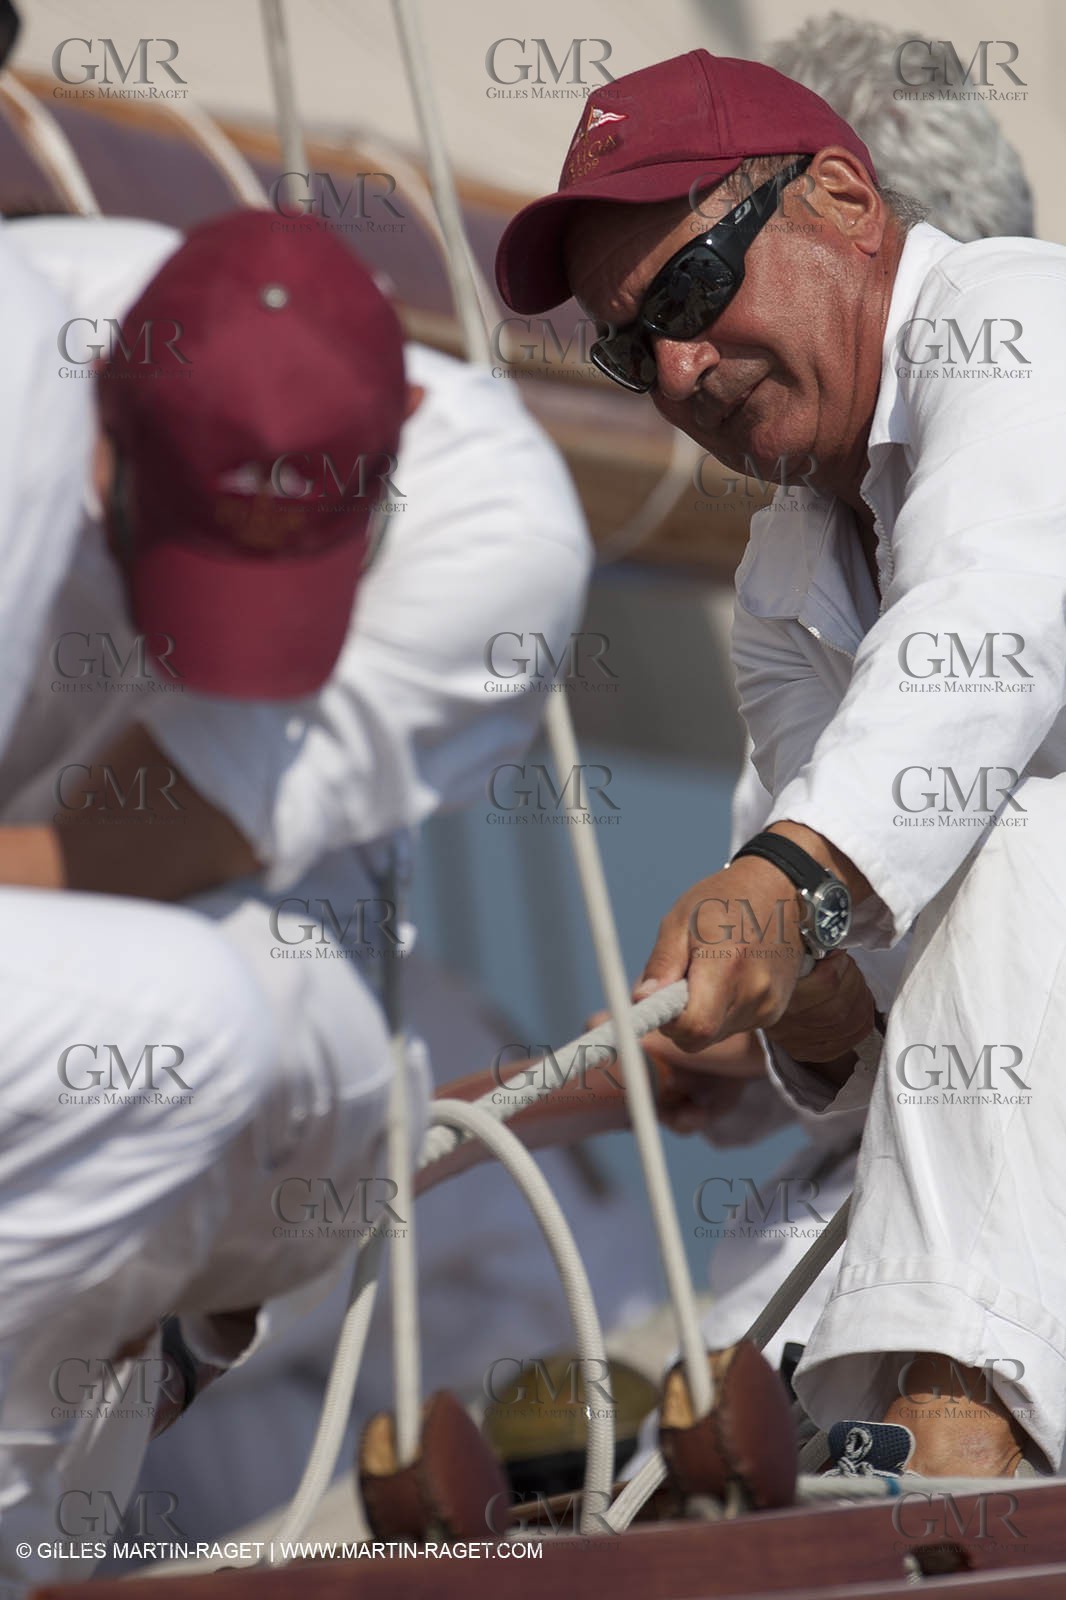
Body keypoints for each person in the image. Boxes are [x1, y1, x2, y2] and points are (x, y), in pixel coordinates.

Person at [0, 208, 601, 1592]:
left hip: (141, 959)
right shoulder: (35, 371)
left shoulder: (483, 527)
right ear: (100, 443)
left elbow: (163, 848)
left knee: (296, 1049)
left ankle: (136, 1394)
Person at [496, 47, 1066, 1480]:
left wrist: (779, 883)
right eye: (632, 349)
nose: (677, 369)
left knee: (994, 814)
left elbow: (982, 633)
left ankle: (953, 1436)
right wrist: (792, 988)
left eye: (689, 294)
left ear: (839, 200)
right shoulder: (780, 582)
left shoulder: (1019, 319)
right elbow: (873, 1025)